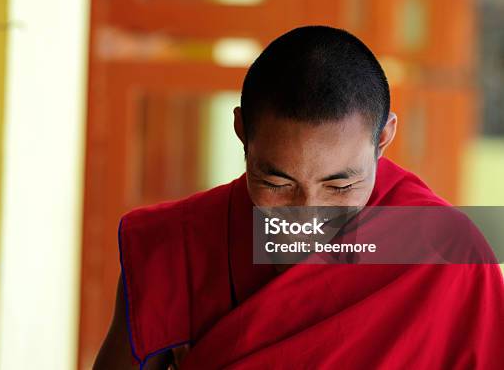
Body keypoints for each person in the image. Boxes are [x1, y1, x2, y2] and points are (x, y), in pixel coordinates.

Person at [94, 26, 504, 369]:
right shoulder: (176, 245)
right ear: (242, 131)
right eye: (277, 183)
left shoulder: (446, 252)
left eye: (339, 186)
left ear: (383, 138)